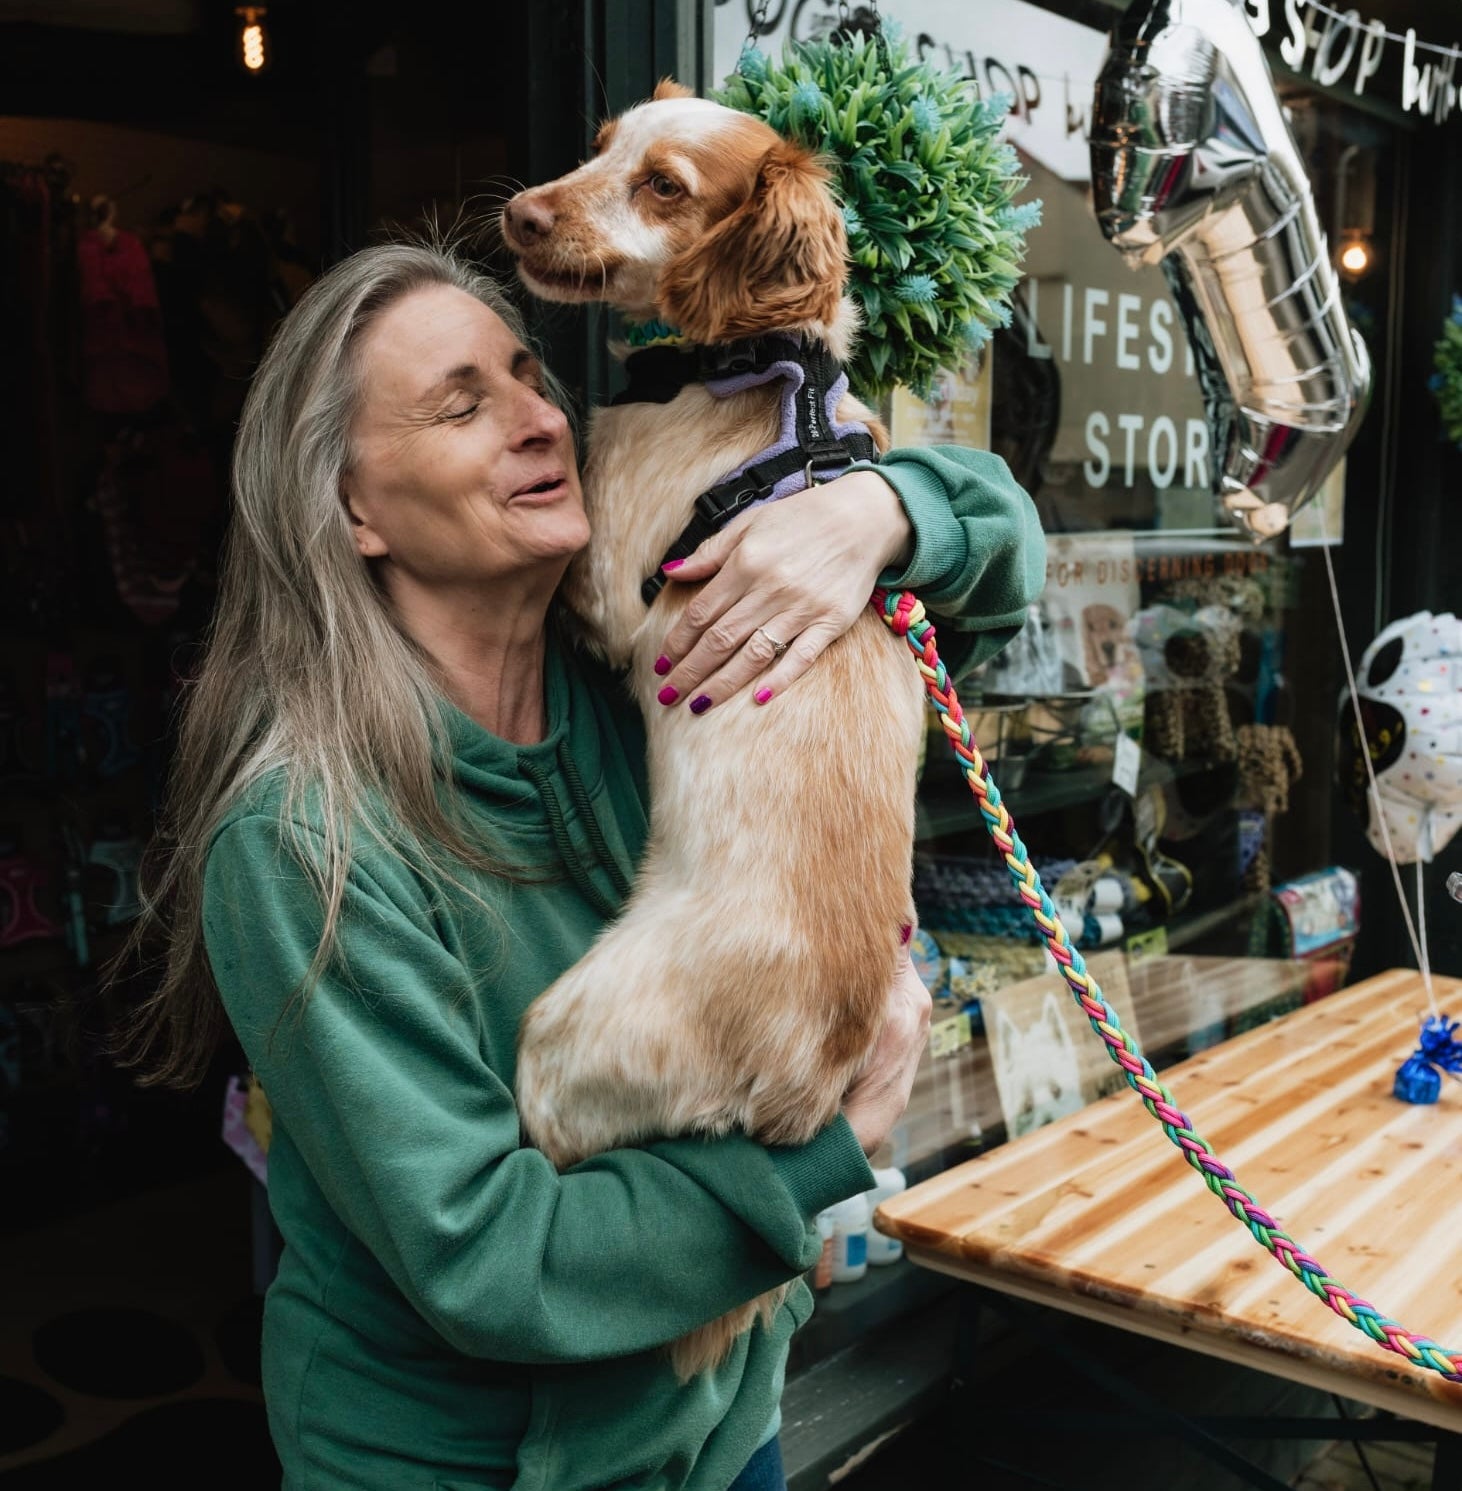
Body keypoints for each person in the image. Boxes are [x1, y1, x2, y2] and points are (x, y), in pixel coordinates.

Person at [122, 240, 1046, 1491]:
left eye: (525, 374)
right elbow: (491, 1261)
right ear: (349, 509)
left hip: (720, 1430)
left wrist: (876, 512)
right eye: (461, 404)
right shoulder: (306, 837)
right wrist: (814, 1158)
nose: (538, 418)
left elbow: (991, 575)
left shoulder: (656, 673)